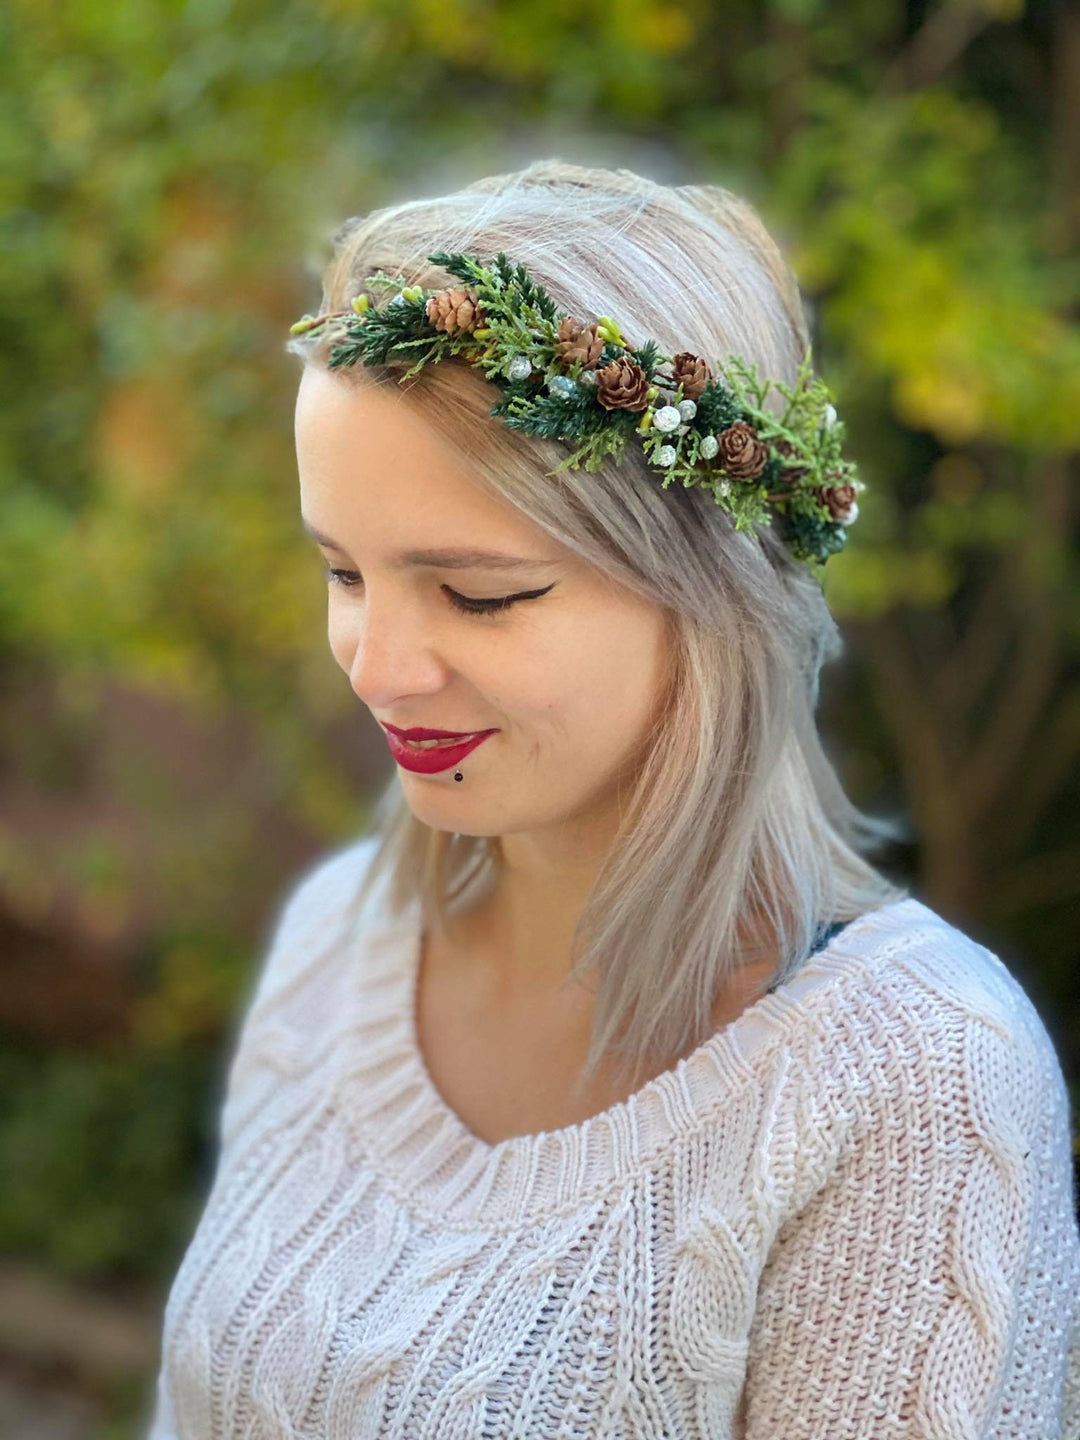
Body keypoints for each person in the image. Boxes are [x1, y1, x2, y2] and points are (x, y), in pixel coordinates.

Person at [144, 160, 1080, 1439]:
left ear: (709, 592)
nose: (377, 666)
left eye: (480, 594)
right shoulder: (336, 945)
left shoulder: (909, 1081)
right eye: (343, 572)